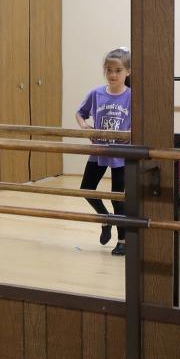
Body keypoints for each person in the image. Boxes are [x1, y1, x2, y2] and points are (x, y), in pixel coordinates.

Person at [74, 47, 133, 256]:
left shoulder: (131, 97)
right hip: (99, 150)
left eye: (118, 70)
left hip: (121, 154)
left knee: (118, 198)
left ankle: (123, 240)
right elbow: (80, 113)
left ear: (128, 71)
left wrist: (129, 134)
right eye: (109, 70)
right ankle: (105, 219)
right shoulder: (96, 94)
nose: (113, 75)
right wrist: (84, 127)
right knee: (87, 189)